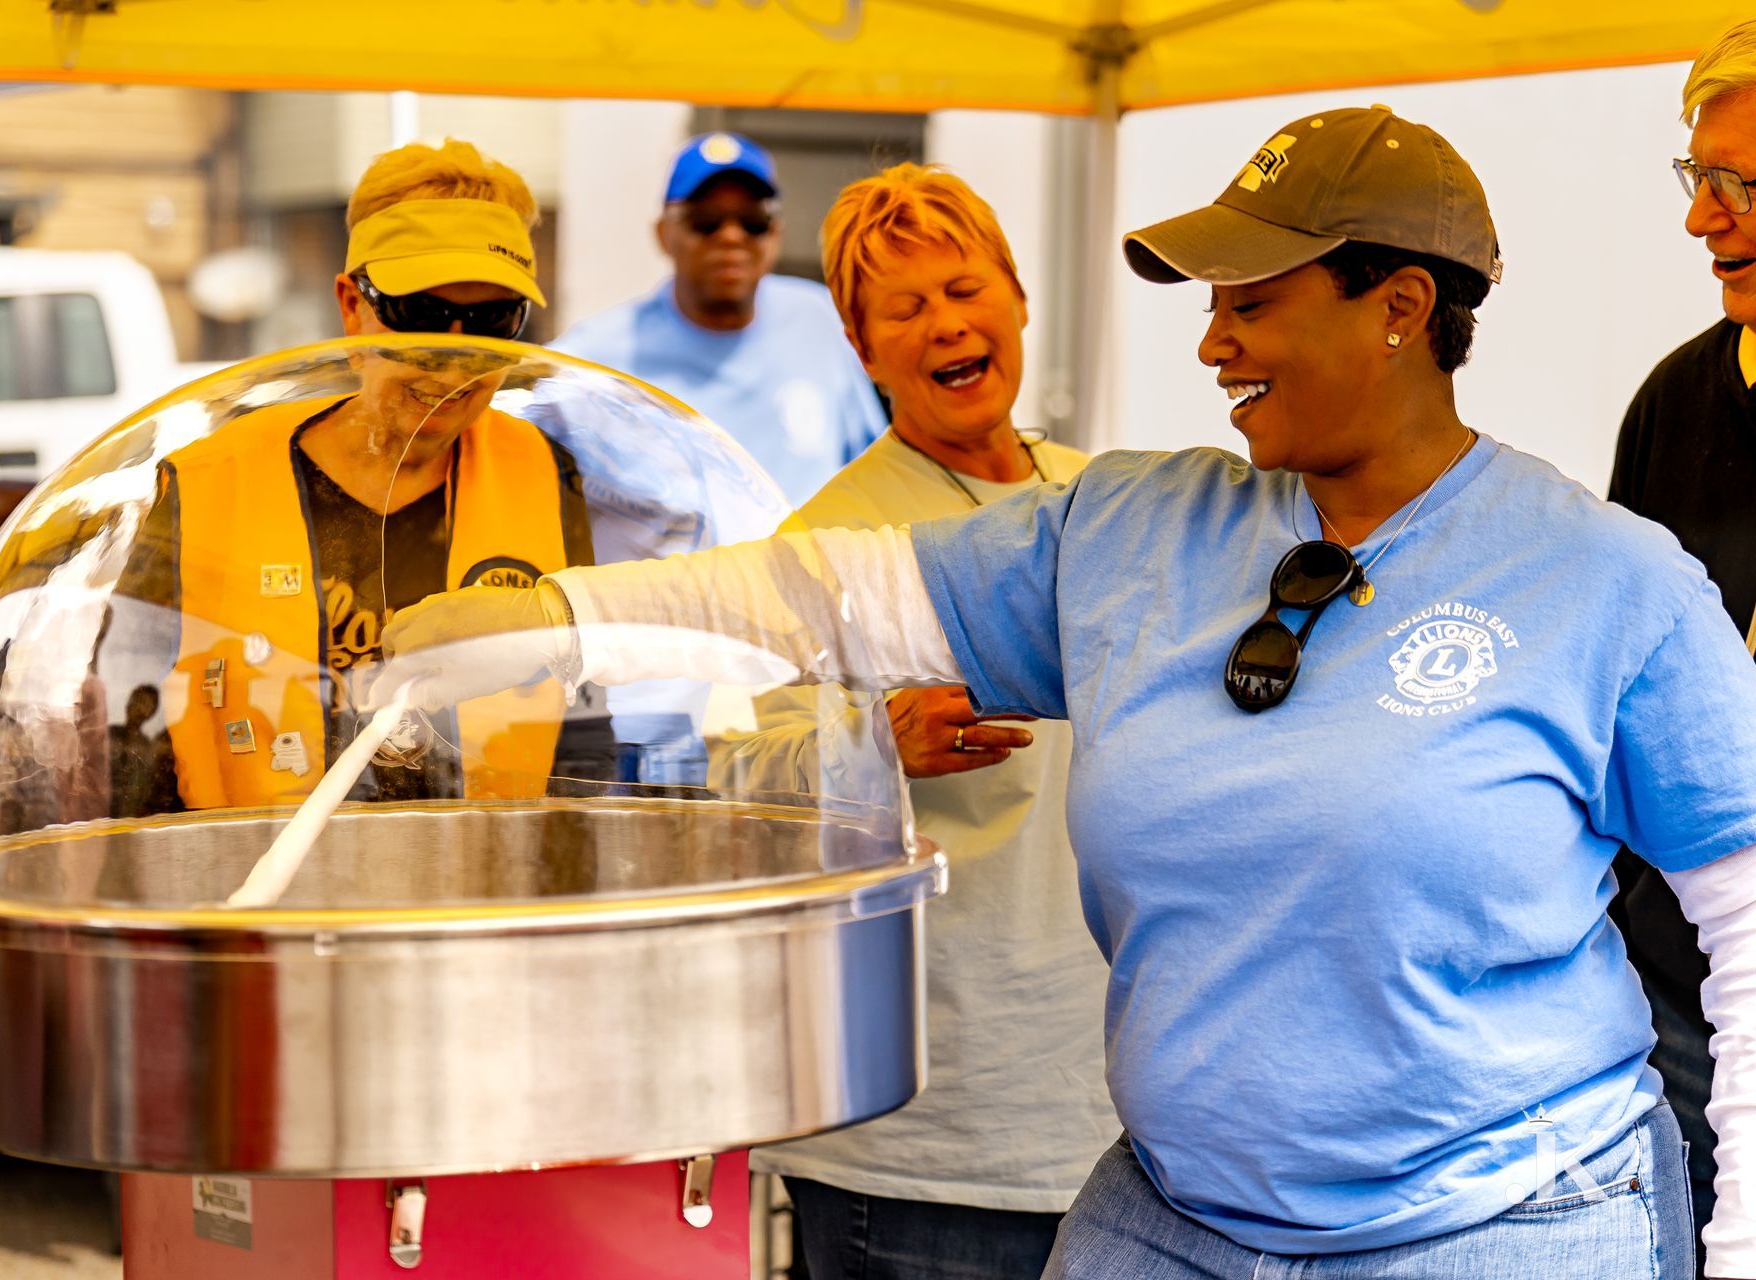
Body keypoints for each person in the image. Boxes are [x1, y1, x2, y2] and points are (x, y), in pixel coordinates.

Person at [382, 106, 1756, 1278]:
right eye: (1210, 305)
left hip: (1496, 1222)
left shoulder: (1607, 581)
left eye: (1254, 301)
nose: (1214, 343)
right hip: (1174, 1211)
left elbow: (1749, 930)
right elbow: (824, 598)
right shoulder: (1131, 526)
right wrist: (553, 619)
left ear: (1400, 307)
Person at [726, 164, 1116, 1279]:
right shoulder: (824, 544)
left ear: (1018, 298)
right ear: (864, 347)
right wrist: (873, 744)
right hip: (917, 1146)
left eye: (964, 287)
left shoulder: (1102, 502)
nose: (946, 323)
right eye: (904, 308)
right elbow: (730, 774)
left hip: (1113, 1119)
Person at [112, 138, 604, 812]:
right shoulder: (211, 480)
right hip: (255, 886)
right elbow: (124, 723)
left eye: (493, 321)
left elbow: (583, 716)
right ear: (352, 307)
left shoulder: (546, 472)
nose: (454, 365)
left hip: (481, 888)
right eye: (421, 317)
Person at [1609, 20, 1756, 1271]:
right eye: (1699, 177)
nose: (1706, 219)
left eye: (1744, 183)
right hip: (1678, 988)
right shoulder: (1673, 401)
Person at [552, 132, 886, 507]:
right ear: (663, 234)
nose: (731, 237)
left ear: (776, 232)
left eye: (753, 220)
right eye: (705, 221)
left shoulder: (822, 318)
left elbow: (873, 466)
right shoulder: (596, 355)